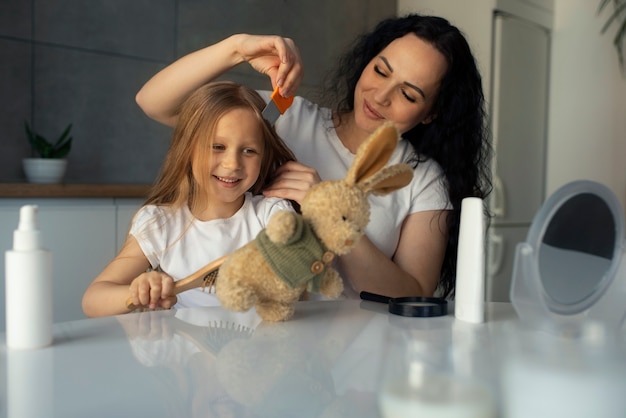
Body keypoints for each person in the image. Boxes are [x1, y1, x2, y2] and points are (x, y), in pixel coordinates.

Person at [135, 13, 492, 300]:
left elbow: (414, 294)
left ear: (431, 113)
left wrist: (328, 213)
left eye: (409, 95)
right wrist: (237, 49)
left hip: (361, 367)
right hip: (264, 345)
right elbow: (154, 103)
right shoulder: (285, 117)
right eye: (381, 71)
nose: (380, 96)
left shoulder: (423, 178)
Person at [82, 81, 296, 317]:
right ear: (188, 149)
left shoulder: (272, 216)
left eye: (249, 151)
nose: (232, 164)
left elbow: (299, 277)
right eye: (217, 146)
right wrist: (139, 291)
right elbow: (93, 301)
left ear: (263, 157)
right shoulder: (161, 224)